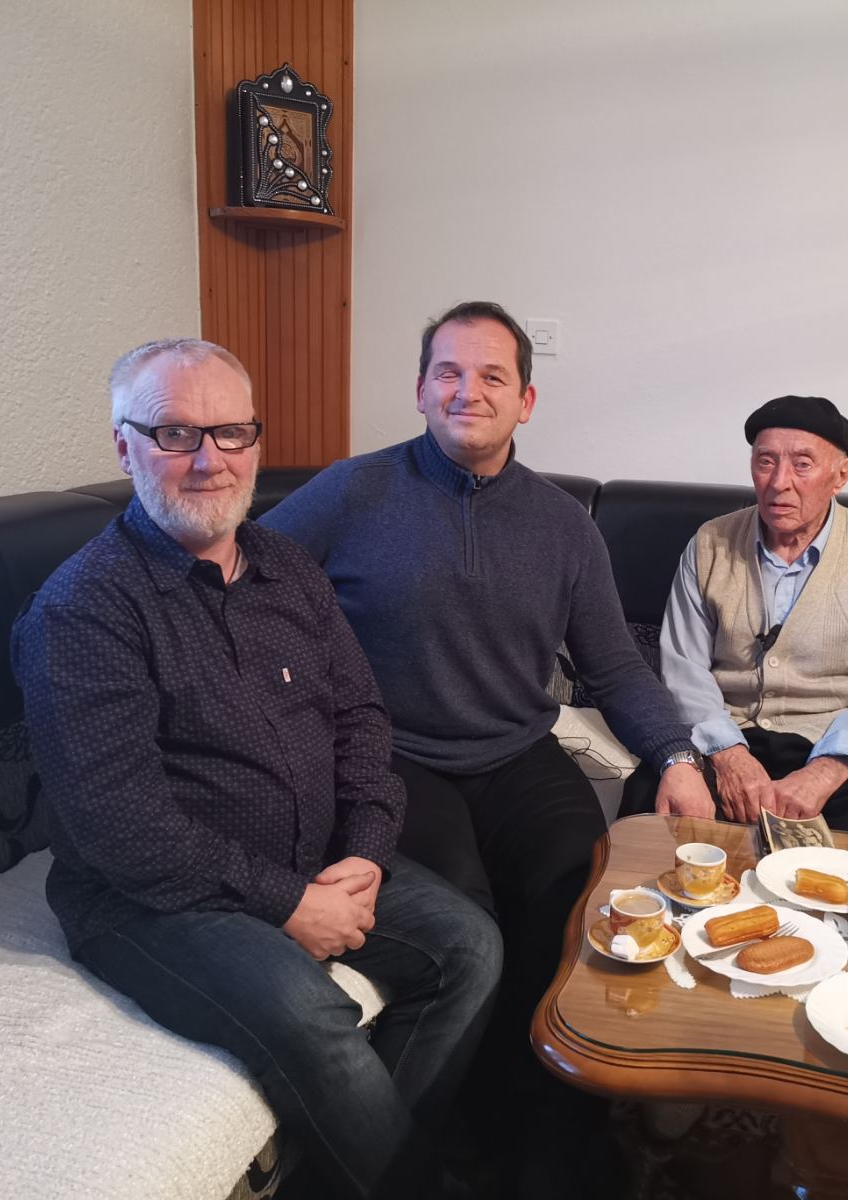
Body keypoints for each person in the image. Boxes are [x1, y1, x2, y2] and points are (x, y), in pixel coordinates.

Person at [11, 339, 501, 1200]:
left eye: (231, 432)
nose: (210, 460)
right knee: (310, 1011)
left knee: (470, 947)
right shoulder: (83, 611)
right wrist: (288, 904)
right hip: (151, 899)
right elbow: (122, 827)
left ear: (255, 442)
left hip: (312, 857)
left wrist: (366, 852)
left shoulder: (288, 569)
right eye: (175, 433)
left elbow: (361, 718)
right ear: (124, 446)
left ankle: (376, 1172)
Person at [260, 300, 712, 1196]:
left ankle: (551, 1132)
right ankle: (460, 1135)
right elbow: (248, 582)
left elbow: (614, 664)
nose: (468, 391)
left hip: (516, 752)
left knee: (576, 894)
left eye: (492, 376)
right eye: (449, 373)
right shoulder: (351, 492)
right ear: (420, 390)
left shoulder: (563, 524)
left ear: (526, 401)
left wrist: (677, 758)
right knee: (466, 915)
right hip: (391, 758)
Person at [620, 395, 848, 842]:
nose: (779, 483)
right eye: (765, 462)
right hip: (724, 733)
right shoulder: (709, 543)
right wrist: (729, 757)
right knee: (648, 799)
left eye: (802, 464)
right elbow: (683, 669)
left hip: (832, 739)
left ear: (842, 474)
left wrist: (825, 772)